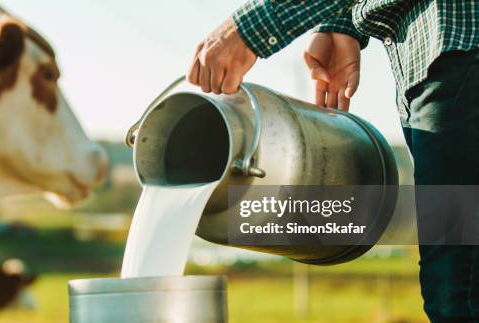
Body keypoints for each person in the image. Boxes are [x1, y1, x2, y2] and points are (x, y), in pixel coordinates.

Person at [186, 1, 479, 322]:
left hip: (461, 48)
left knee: (457, 289)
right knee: (454, 282)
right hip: (439, 61)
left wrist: (247, 30)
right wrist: (342, 25)